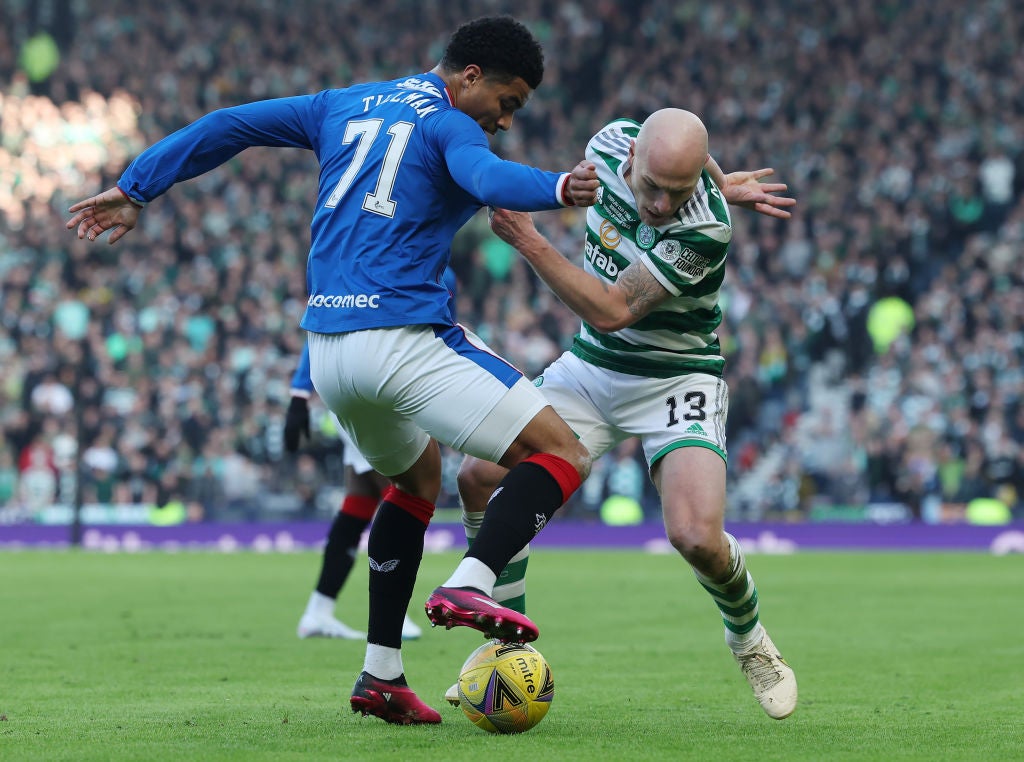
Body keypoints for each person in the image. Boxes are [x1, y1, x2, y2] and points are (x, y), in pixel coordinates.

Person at [66, 15, 599, 726]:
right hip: (402, 336)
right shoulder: (450, 125)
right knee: (562, 450)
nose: (504, 119)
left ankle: (381, 673)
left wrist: (136, 188)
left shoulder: (341, 103)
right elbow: (487, 175)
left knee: (415, 483)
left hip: (331, 353)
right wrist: (560, 185)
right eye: (509, 102)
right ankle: (473, 582)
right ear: (469, 77)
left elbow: (229, 124)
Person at [453, 109, 799, 720]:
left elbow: (613, 309)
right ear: (631, 157)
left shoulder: (706, 231)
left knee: (695, 537)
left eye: (681, 190)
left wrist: (531, 240)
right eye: (653, 187)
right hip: (592, 368)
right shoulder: (608, 141)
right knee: (479, 477)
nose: (663, 206)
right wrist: (714, 176)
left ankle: (748, 638)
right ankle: (501, 650)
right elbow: (605, 328)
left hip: (675, 377)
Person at [287, 342, 422, 642]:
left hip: (355, 388)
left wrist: (299, 393)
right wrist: (298, 392)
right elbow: (319, 323)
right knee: (402, 494)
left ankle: (318, 610)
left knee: (361, 499)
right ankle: (393, 614)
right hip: (362, 391)